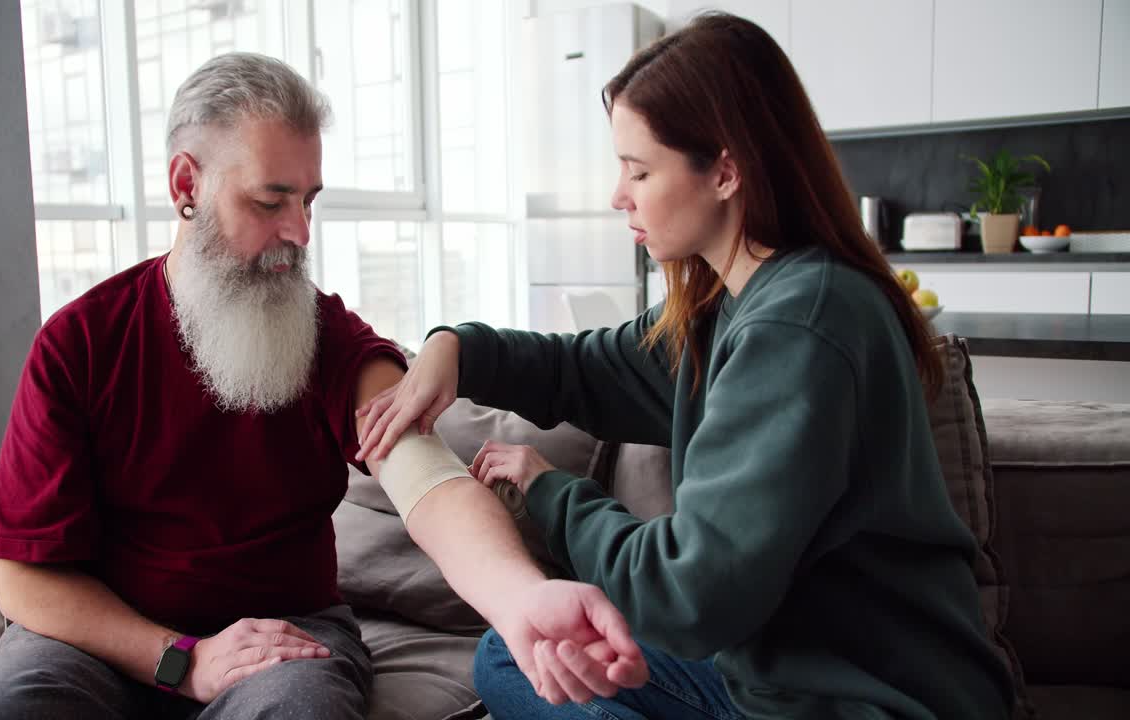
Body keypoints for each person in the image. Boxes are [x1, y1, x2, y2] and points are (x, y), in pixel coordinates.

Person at [0, 52, 646, 720]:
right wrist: (181, 659)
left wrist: (522, 598)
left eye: (308, 200)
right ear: (187, 186)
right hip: (100, 643)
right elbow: (24, 579)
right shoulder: (80, 342)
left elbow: (430, 485)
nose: (299, 232)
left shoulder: (331, 338)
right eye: (270, 201)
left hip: (288, 640)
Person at [356, 13, 1016, 720]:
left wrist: (550, 494)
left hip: (865, 700)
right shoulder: (726, 305)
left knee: (539, 667)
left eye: (639, 170)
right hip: (768, 681)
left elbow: (684, 595)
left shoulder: (803, 324)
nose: (619, 195)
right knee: (510, 654)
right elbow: (582, 369)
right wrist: (455, 346)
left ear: (725, 171)